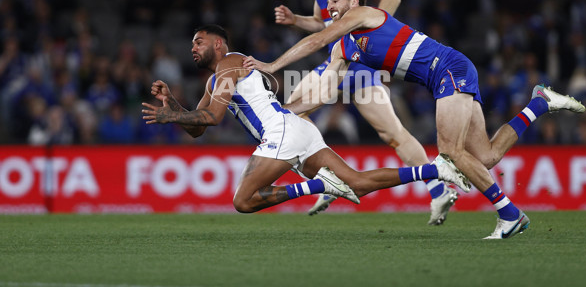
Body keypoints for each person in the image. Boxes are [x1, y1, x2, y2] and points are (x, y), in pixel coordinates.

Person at [243, 0, 586, 239]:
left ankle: (510, 215)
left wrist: (272, 65)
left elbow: (316, 39)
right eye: (327, 3)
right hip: (447, 75)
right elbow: (324, 92)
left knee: (450, 153)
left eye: (336, 1)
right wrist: (284, 110)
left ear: (354, 1)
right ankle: (539, 103)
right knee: (486, 156)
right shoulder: (344, 48)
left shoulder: (365, 14)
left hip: (448, 68)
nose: (330, 7)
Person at [141, 25, 471, 214]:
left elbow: (212, 117)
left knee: (243, 200)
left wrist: (171, 116)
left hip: (281, 131)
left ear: (217, 43)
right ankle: (437, 169)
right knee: (357, 183)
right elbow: (198, 128)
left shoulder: (230, 62)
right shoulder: (214, 81)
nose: (192, 49)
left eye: (198, 42)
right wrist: (173, 104)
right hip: (295, 128)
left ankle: (318, 185)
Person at [274, 0, 456, 224]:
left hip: (355, 60)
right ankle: (436, 191)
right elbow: (322, 24)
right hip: (344, 59)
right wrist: (296, 21)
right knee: (390, 132)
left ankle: (331, 178)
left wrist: (370, 41)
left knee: (293, 111)